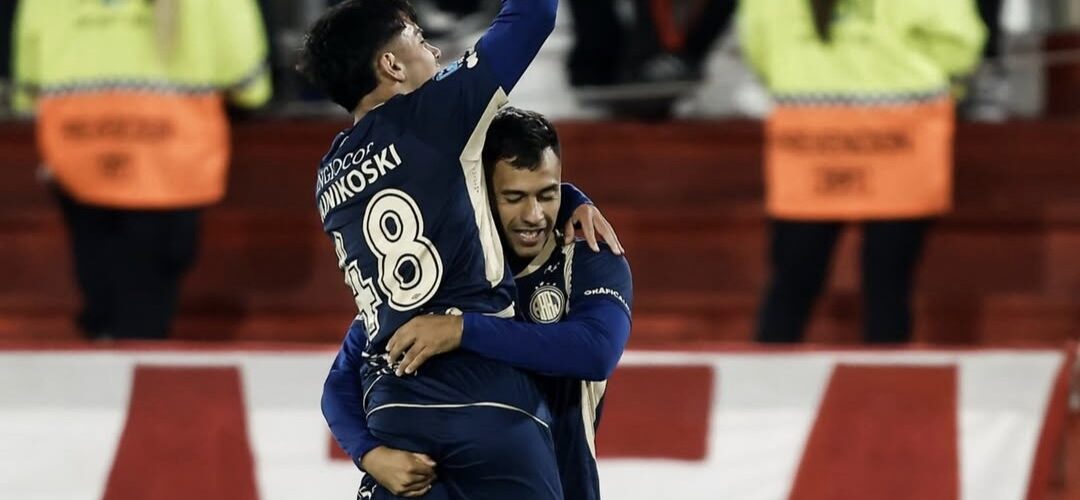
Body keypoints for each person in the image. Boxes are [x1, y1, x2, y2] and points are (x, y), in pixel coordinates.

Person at [298, 1, 620, 498]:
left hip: (392, 407)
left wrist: (368, 451)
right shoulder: (438, 114)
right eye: (420, 40)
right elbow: (532, 17)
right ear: (391, 65)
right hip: (486, 401)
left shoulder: (328, 177)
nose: (434, 50)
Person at [11, 0, 272, 340]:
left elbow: (28, 80)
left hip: (77, 147)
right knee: (146, 303)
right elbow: (247, 83)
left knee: (98, 278)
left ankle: (102, 344)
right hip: (169, 159)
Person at [741, 0, 985, 343]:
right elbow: (959, 46)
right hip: (901, 132)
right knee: (889, 284)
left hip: (809, 136)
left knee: (793, 281)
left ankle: (760, 389)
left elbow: (758, 44)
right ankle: (887, 390)